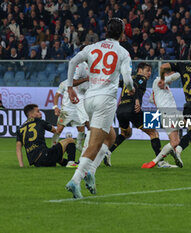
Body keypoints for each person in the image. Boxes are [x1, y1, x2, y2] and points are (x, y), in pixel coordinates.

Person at [65, 18, 134, 199]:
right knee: (95, 145)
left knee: (110, 137)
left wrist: (70, 86)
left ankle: (91, 172)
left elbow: (72, 62)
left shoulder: (91, 47)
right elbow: (127, 80)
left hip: (89, 98)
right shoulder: (123, 52)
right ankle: (76, 179)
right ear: (121, 33)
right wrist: (132, 89)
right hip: (106, 100)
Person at [105, 63, 168, 167]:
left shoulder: (128, 78)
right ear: (140, 69)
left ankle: (108, 152)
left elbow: (117, 83)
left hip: (120, 109)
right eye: (147, 70)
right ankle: (160, 162)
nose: (149, 73)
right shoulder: (141, 79)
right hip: (133, 109)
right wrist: (137, 100)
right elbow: (137, 87)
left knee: (126, 133)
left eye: (150, 71)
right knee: (153, 133)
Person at [52, 80, 85, 151]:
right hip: (66, 110)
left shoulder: (83, 83)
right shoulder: (64, 83)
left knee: (81, 130)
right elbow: (57, 95)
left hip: (78, 110)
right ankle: (53, 146)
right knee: (59, 129)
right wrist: (55, 107)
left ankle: (78, 145)